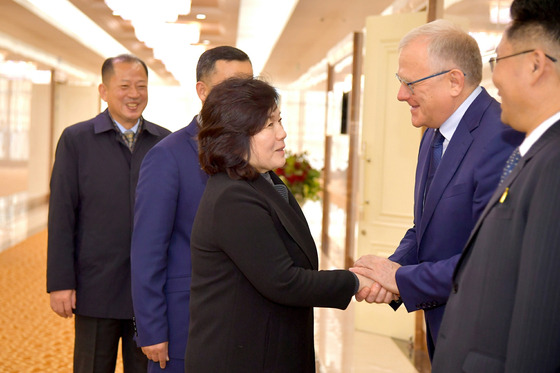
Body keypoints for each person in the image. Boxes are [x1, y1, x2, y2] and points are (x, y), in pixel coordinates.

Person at [350, 19, 524, 358]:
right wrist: (391, 269)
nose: (401, 95)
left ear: (454, 81)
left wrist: (400, 280)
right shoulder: (434, 131)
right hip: (444, 329)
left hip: (481, 338)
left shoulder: (503, 138)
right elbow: (425, 229)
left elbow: (489, 262)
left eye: (410, 83)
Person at [185, 77, 372, 373]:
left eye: (279, 121)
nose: (283, 133)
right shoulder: (233, 197)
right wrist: (357, 281)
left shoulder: (264, 181)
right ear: (235, 135)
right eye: (269, 125)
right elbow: (284, 281)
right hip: (241, 358)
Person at [432, 0, 560, 371]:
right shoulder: (532, 153)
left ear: (535, 64)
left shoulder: (553, 166)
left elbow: (539, 326)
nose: (494, 78)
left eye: (497, 61)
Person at [130, 46, 253, 372]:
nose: (242, 97)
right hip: (185, 325)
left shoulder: (255, 151)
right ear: (202, 91)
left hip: (244, 323)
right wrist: (152, 329)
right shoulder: (168, 156)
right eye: (231, 86)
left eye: (249, 86)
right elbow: (147, 250)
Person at [46, 54, 171, 372]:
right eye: (124, 86)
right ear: (103, 91)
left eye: (141, 86)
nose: (134, 94)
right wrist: (60, 281)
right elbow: (62, 214)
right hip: (94, 287)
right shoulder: (77, 140)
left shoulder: (164, 143)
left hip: (149, 293)